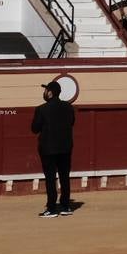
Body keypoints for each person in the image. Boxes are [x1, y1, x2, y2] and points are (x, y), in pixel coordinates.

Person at [32, 80, 76, 218]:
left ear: (50, 92)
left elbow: (34, 129)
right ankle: (65, 206)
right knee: (64, 176)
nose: (44, 92)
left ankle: (51, 208)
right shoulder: (68, 107)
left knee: (50, 178)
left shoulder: (41, 109)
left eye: (45, 90)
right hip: (65, 147)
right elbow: (72, 123)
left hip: (48, 149)